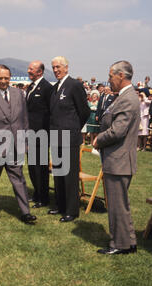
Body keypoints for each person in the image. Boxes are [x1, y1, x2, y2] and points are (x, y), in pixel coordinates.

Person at [93, 60, 139, 255]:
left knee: (116, 205)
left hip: (119, 161)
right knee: (120, 204)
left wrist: (97, 140)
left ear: (121, 75)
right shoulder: (123, 97)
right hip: (117, 160)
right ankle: (128, 241)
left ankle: (119, 244)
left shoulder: (127, 98)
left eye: (111, 76)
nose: (109, 80)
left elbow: (117, 131)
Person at [0, 65, 36, 224]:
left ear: (10, 77)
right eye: (0, 78)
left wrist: (25, 141)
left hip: (16, 146)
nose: (4, 81)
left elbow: (24, 119)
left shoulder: (19, 93)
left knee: (19, 178)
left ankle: (26, 212)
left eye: (6, 78)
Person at [48, 56, 90, 222]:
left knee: (70, 175)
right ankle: (60, 205)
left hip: (69, 137)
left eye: (58, 67)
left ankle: (72, 210)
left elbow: (84, 111)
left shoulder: (74, 85)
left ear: (66, 67)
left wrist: (74, 127)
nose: (56, 70)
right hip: (56, 136)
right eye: (54, 67)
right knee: (58, 172)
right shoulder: (56, 87)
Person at [26, 60, 53, 208]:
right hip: (30, 134)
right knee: (32, 167)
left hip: (41, 135)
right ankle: (37, 193)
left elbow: (51, 112)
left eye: (32, 69)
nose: (28, 71)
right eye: (29, 68)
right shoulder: (31, 86)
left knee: (41, 168)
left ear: (40, 72)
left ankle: (44, 197)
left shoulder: (47, 88)